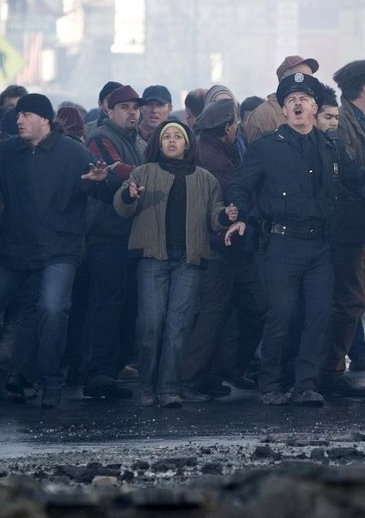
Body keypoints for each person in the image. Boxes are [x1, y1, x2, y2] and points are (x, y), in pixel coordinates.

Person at [224, 72, 365, 407]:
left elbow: (360, 180)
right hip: (280, 245)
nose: (298, 104)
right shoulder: (265, 149)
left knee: (319, 316)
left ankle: (306, 384)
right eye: (291, 100)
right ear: (284, 111)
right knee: (281, 315)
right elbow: (239, 186)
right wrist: (238, 214)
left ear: (315, 108)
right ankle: (271, 384)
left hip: (319, 246)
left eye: (304, 99)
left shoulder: (331, 147)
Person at [0, 94, 120, 408]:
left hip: (59, 249)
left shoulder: (74, 153)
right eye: (18, 115)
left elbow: (103, 187)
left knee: (51, 310)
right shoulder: (5, 151)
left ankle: (50, 385)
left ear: (45, 119)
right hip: (13, 250)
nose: (19, 120)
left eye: (27, 114)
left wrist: (105, 180)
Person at [114, 120, 226, 408]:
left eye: (178, 136)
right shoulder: (144, 173)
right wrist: (129, 194)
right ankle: (148, 386)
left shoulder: (206, 179)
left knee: (178, 325)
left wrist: (226, 216)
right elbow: (122, 206)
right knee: (150, 323)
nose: (172, 141)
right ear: (159, 144)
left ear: (188, 143)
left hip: (189, 259)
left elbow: (215, 216)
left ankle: (169, 389)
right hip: (153, 256)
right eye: (167, 137)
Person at [182, 100, 262, 395]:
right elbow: (235, 195)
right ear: (228, 128)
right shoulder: (213, 157)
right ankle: (192, 377)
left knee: (244, 306)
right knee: (216, 312)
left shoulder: (214, 149)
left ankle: (224, 368)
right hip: (217, 246)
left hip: (227, 246)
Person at [325, 58, 365, 394]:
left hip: (361, 222)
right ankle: (330, 370)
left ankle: (331, 368)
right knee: (347, 298)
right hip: (344, 223)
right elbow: (349, 172)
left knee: (355, 298)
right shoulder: (343, 121)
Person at [82, 84, 146, 400]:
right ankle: (98, 374)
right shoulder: (100, 138)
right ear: (109, 110)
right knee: (107, 304)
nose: (132, 112)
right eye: (125, 107)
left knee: (124, 304)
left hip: (129, 235)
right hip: (106, 234)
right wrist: (155, 174)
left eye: (136, 107)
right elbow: (116, 171)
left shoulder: (138, 141)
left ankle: (112, 369)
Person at [243, 55, 319, 142]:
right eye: (302, 78)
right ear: (284, 81)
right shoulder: (264, 115)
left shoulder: (312, 110)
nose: (308, 84)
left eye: (310, 80)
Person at [137, 85, 173, 152]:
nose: (154, 110)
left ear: (170, 108)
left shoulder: (177, 140)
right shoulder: (130, 139)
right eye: (149, 104)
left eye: (160, 105)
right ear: (141, 108)